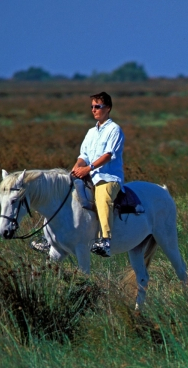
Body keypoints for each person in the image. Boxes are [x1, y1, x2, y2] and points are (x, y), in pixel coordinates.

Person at [71, 91, 125, 257]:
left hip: (108, 178)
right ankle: (49, 238)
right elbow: (83, 156)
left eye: (97, 106)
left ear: (107, 108)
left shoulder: (115, 129)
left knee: (103, 197)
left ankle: (105, 241)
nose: (93, 110)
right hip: (90, 176)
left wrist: (88, 168)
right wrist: (75, 169)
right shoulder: (90, 132)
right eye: (92, 107)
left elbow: (108, 155)